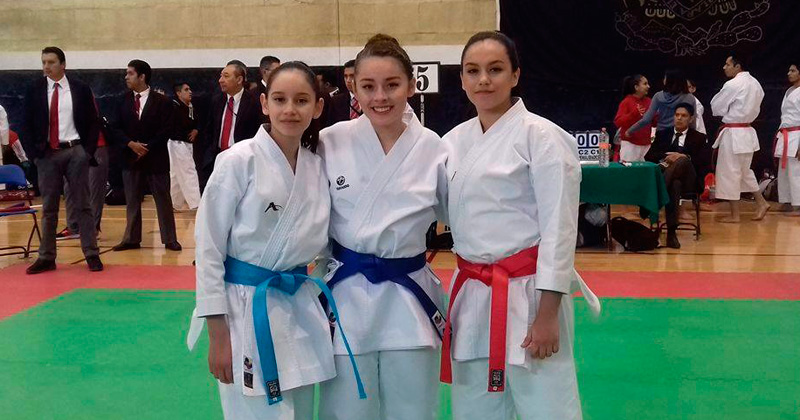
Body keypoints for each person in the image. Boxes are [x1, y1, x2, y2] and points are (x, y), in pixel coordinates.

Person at [190, 61, 364, 420]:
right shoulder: (236, 161)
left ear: (317, 107)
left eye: (301, 100)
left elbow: (324, 243)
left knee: (299, 410)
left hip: (299, 306)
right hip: (244, 309)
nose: (290, 110)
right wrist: (217, 332)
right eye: (280, 99)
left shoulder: (317, 166)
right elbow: (208, 249)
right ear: (264, 103)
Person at [440, 31, 600, 420]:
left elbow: (560, 230)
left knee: (546, 404)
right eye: (472, 71)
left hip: (530, 292)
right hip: (473, 291)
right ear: (461, 79)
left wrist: (547, 314)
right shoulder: (451, 142)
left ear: (515, 75)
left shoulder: (543, 137)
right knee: (475, 405)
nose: (483, 80)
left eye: (495, 70)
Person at [316, 34, 448, 420]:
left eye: (392, 85)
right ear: (353, 87)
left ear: (411, 85)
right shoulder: (329, 141)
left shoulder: (434, 148)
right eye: (368, 86)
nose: (380, 97)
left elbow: (463, 218)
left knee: (414, 409)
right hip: (345, 295)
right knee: (345, 409)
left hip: (409, 296)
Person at [19, 46, 103, 274]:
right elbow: (24, 124)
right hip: (47, 154)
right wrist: (35, 155)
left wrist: (87, 152)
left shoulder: (80, 88)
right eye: (43, 62)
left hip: (75, 150)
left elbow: (93, 121)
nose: (46, 66)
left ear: (63, 64)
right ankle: (46, 257)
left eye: (51, 62)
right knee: (49, 207)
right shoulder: (34, 89)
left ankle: (91, 254)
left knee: (83, 204)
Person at [109, 59, 181, 251]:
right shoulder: (121, 100)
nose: (126, 77)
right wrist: (131, 144)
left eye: (130, 73)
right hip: (130, 157)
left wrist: (146, 147)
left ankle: (170, 238)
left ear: (142, 77)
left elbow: (167, 129)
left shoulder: (163, 101)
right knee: (132, 200)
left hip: (155, 158)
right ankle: (131, 238)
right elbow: (114, 128)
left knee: (163, 199)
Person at [710, 54, 770, 223]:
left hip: (734, 134)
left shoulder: (733, 84)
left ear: (738, 66)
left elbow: (716, 107)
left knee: (730, 172)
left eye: (727, 64)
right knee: (744, 172)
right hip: (747, 133)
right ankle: (761, 202)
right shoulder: (756, 83)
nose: (724, 67)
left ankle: (735, 215)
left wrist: (727, 110)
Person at [645, 103, 712, 248]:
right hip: (672, 178)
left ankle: (656, 196)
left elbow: (705, 163)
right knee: (675, 185)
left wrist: (683, 156)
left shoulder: (699, 137)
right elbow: (648, 156)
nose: (679, 118)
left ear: (691, 119)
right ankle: (671, 234)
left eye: (684, 116)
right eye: (677, 115)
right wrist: (667, 156)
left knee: (683, 160)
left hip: (690, 180)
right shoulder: (663, 134)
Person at [199, 60, 262, 192]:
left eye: (226, 76)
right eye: (221, 76)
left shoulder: (254, 102)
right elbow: (209, 130)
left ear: (239, 79)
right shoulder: (217, 100)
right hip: (217, 157)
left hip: (242, 159)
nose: (220, 80)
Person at [626, 69, 696, 146]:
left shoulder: (658, 96)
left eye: (665, 78)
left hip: (661, 135)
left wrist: (630, 131)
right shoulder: (690, 98)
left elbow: (646, 119)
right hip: (681, 135)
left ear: (669, 80)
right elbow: (692, 120)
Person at [168, 82, 201, 211]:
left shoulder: (190, 106)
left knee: (176, 174)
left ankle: (174, 203)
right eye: (186, 90)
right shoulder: (173, 106)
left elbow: (196, 122)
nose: (190, 92)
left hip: (187, 143)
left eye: (190, 89)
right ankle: (196, 203)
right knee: (189, 171)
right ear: (178, 93)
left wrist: (196, 130)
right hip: (176, 143)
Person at [774, 62, 800, 216]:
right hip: (786, 134)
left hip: (797, 135)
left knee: (796, 171)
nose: (789, 73)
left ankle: (798, 205)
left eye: (793, 70)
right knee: (784, 171)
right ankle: (787, 200)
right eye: (789, 70)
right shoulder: (789, 91)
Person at [613, 74, 654, 162]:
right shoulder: (627, 102)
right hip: (630, 145)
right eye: (645, 84)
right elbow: (618, 122)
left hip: (646, 145)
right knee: (629, 169)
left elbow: (654, 122)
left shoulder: (649, 101)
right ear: (636, 87)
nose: (648, 86)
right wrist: (633, 114)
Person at [326, 60, 359, 126]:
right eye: (345, 76)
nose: (348, 80)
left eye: (352, 76)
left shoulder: (370, 98)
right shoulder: (336, 101)